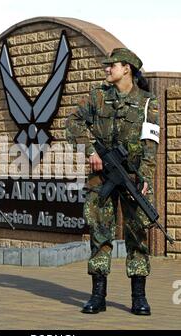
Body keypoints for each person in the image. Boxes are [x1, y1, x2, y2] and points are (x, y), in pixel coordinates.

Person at [66, 48, 160, 316]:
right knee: (99, 234)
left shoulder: (146, 102)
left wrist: (145, 179)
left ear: (127, 68)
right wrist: (90, 151)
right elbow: (72, 123)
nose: (107, 69)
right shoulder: (97, 96)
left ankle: (139, 297)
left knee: (137, 236)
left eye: (112, 65)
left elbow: (150, 147)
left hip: (131, 178)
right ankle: (98, 296)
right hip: (101, 179)